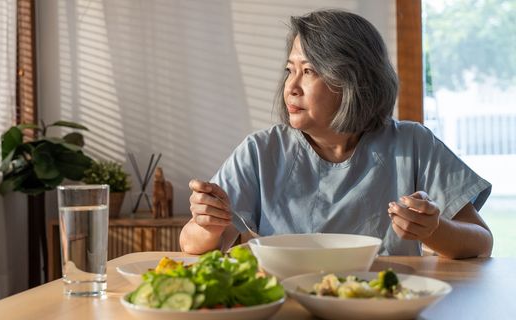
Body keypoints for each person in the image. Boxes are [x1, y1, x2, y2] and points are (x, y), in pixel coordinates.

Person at [179, 9, 493, 258]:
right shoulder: (261, 150)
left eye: (309, 71)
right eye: (290, 70)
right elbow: (190, 245)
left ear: (352, 81)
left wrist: (433, 230)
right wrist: (208, 224)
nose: (291, 86)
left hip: (384, 302)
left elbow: (481, 242)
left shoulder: (413, 144)